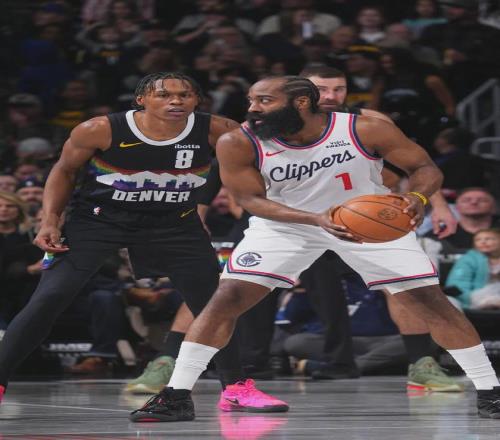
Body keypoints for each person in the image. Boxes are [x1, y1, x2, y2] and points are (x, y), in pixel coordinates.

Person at [130, 75, 500, 422]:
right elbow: (251, 200)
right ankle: (176, 395)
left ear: (301, 102)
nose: (253, 108)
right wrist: (314, 219)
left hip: (368, 221)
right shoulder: (238, 141)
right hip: (287, 224)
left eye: (264, 100)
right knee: (225, 299)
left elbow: (424, 167)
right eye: (251, 100)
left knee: (430, 302)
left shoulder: (364, 128)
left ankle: (490, 390)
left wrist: (417, 198)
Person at [0, 72, 287, 413]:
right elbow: (64, 171)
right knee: (50, 297)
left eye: (185, 95)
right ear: (141, 100)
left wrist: (207, 206)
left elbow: (257, 161)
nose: (176, 100)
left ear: (197, 101)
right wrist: (50, 219)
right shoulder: (99, 129)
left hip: (175, 222)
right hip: (99, 220)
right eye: (164, 95)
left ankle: (236, 387)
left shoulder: (217, 129)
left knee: (215, 305)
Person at [300, 65, 460, 389]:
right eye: (322, 89)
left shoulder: (370, 122)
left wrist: (440, 206)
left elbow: (415, 165)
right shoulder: (280, 125)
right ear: (302, 92)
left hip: (369, 218)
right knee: (310, 294)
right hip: (310, 221)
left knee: (403, 289)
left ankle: (422, 365)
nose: (331, 96)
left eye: (339, 89)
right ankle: (247, 368)